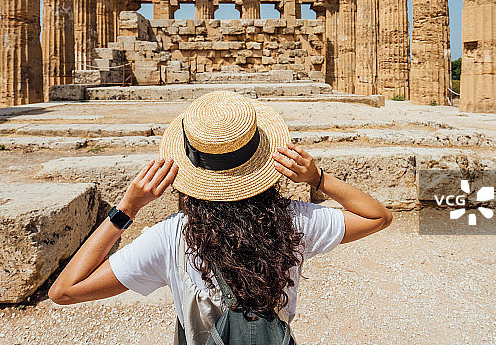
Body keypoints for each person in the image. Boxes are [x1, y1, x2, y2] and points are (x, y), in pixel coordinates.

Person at [49, 91, 392, 344]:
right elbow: (379, 217)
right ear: (264, 157)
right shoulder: (295, 221)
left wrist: (127, 208)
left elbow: (64, 291)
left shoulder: (171, 236)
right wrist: (318, 179)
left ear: (185, 165)